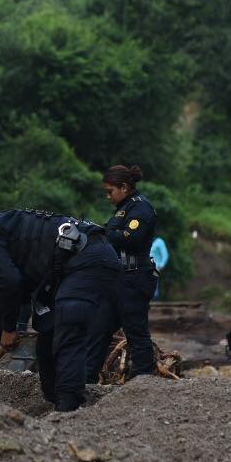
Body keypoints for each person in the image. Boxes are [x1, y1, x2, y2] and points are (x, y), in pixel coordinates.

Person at [0, 210, 118, 413]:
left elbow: (10, 281)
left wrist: (9, 329)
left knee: (66, 334)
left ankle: (70, 408)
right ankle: (56, 403)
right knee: (46, 343)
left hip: (86, 257)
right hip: (66, 270)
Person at [84, 164, 159, 382]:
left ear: (124, 187)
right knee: (99, 329)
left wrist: (104, 232)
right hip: (117, 279)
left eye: (110, 191)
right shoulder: (123, 209)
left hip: (134, 278)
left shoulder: (141, 207)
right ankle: (87, 378)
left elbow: (131, 238)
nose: (108, 197)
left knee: (136, 332)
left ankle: (143, 379)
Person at [149, 235, 170, 299]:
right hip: (147, 266)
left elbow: (165, 255)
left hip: (157, 267)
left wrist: (162, 265)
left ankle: (155, 298)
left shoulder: (160, 242)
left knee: (154, 280)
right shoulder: (147, 242)